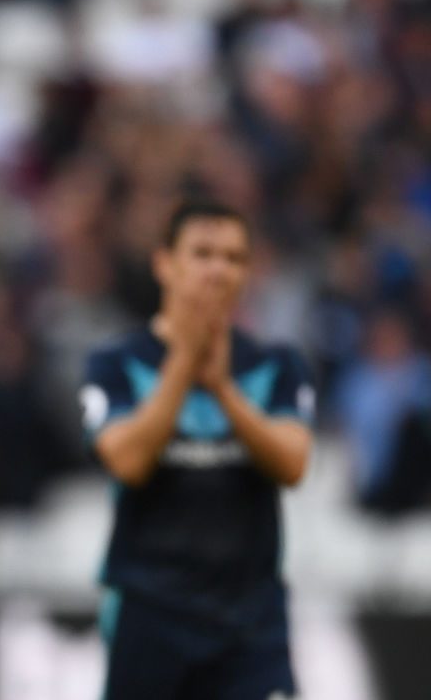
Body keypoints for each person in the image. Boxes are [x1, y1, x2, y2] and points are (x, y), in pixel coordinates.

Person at [78, 200, 315, 700]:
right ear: (165, 263)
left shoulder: (277, 364)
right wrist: (185, 362)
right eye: (203, 253)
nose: (218, 270)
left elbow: (293, 464)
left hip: (250, 622)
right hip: (151, 615)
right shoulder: (115, 363)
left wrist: (224, 389)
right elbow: (128, 460)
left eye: (233, 258)